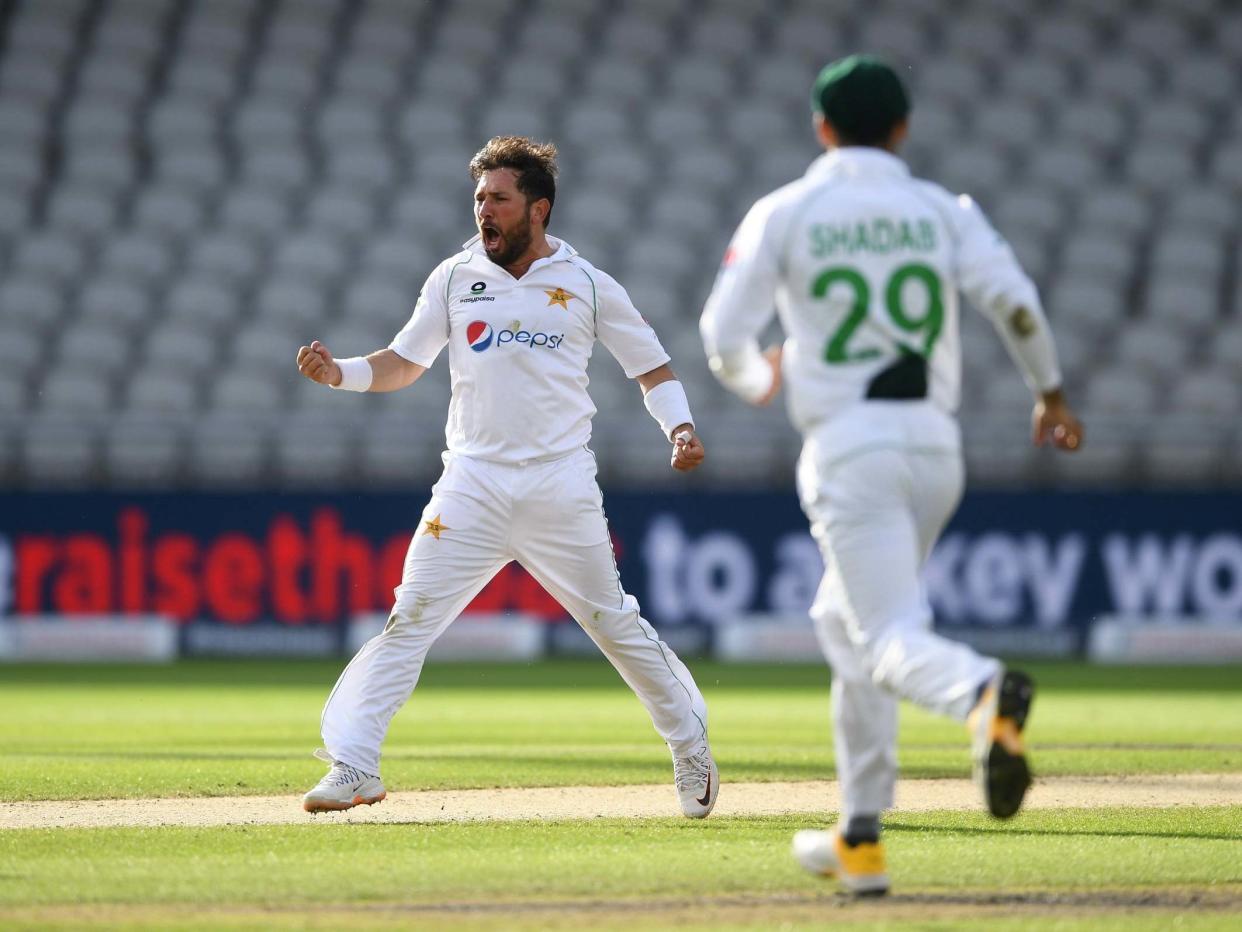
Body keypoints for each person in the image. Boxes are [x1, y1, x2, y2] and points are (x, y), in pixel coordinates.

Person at [699, 56, 1083, 894]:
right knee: (844, 624)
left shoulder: (789, 211)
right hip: (935, 449)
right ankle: (861, 836)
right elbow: (1015, 303)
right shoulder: (942, 210)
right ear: (903, 128)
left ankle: (982, 693)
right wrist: (1049, 394)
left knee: (884, 636)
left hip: (850, 448)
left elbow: (722, 332)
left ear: (821, 128)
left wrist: (758, 379)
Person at [296, 136, 718, 819]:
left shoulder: (585, 282)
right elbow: (405, 362)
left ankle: (688, 741)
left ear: (537, 209)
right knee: (411, 619)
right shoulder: (456, 277)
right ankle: (354, 763)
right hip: (472, 483)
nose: (483, 212)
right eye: (478, 200)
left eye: (498, 199)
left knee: (612, 621)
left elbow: (652, 368)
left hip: (559, 484)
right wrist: (338, 373)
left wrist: (680, 427)